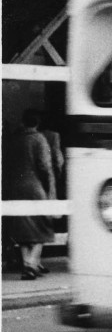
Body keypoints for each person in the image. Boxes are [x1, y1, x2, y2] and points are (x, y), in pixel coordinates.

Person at [3, 110, 56, 279]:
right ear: (38, 123)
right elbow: (44, 167)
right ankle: (32, 264)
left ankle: (28, 264)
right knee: (42, 227)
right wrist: (50, 188)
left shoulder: (15, 139)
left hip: (15, 188)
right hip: (34, 187)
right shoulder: (39, 139)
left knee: (23, 229)